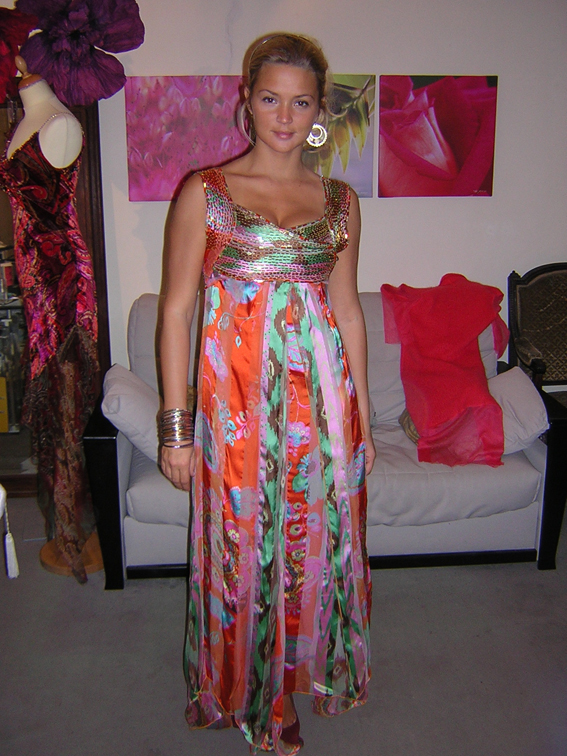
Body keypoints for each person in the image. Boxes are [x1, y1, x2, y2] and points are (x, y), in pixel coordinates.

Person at [160, 33, 375, 755]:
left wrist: (364, 420)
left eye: (301, 102)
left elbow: (347, 313)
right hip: (236, 413)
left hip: (324, 410)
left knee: (313, 546)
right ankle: (250, 690)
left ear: (318, 110)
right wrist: (176, 429)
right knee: (242, 549)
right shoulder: (206, 192)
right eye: (270, 98)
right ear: (247, 102)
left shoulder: (339, 201)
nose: (285, 116)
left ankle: (287, 681)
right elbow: (176, 311)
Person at [0, 56, 100, 583]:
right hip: (38, 283)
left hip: (61, 283)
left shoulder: (60, 123)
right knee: (54, 398)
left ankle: (73, 529)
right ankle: (68, 524)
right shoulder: (27, 120)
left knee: (65, 398)